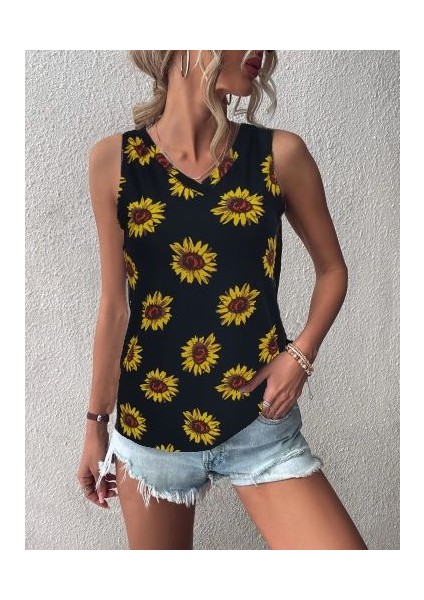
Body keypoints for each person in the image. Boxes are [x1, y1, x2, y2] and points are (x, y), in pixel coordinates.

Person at [76, 50, 368, 550]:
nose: (260, 49)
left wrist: (300, 355)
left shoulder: (278, 155)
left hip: (259, 425)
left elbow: (333, 270)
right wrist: (95, 426)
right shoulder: (115, 162)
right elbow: (114, 307)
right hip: (150, 429)